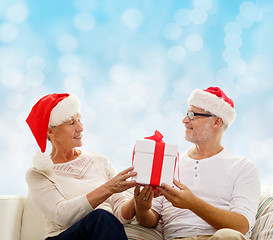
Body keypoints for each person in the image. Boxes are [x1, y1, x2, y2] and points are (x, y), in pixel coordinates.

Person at [134, 87, 260, 240]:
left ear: (216, 122)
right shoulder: (171, 161)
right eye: (186, 114)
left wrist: (193, 204)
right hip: (177, 238)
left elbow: (241, 226)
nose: (185, 120)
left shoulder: (243, 167)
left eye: (192, 115)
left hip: (220, 238)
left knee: (228, 236)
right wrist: (142, 210)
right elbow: (150, 219)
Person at [25, 93, 137, 240]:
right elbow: (61, 215)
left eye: (79, 120)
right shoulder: (39, 173)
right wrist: (108, 188)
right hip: (63, 236)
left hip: (103, 233)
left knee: (103, 219)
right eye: (72, 123)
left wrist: (138, 199)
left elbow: (121, 215)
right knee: (100, 217)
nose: (80, 128)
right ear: (51, 132)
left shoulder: (100, 161)